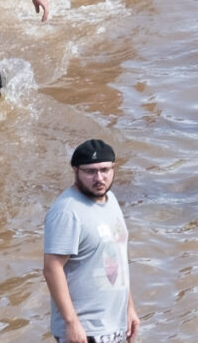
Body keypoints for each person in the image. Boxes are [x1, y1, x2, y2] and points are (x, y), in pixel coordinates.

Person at [43, 140, 136, 343]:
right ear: (75, 171)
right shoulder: (67, 212)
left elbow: (117, 257)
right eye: (90, 172)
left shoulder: (110, 200)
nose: (99, 178)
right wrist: (71, 323)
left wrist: (129, 308)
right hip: (86, 331)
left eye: (104, 170)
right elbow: (52, 268)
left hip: (115, 324)